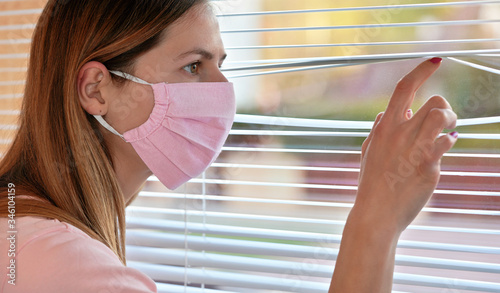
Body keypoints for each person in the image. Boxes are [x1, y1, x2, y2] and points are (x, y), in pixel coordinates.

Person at [0, 0, 458, 292]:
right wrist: (376, 218)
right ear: (97, 90)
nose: (223, 90)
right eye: (194, 67)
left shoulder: (20, 225)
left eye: (220, 63)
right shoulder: (74, 272)